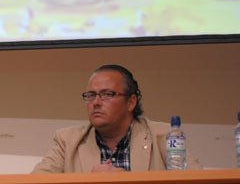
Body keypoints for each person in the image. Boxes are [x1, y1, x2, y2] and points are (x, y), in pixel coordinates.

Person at [32, 64, 201, 174]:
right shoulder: (67, 141)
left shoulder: (164, 136)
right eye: (91, 95)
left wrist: (126, 182)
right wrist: (90, 183)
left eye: (107, 95)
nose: (96, 102)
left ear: (131, 102)